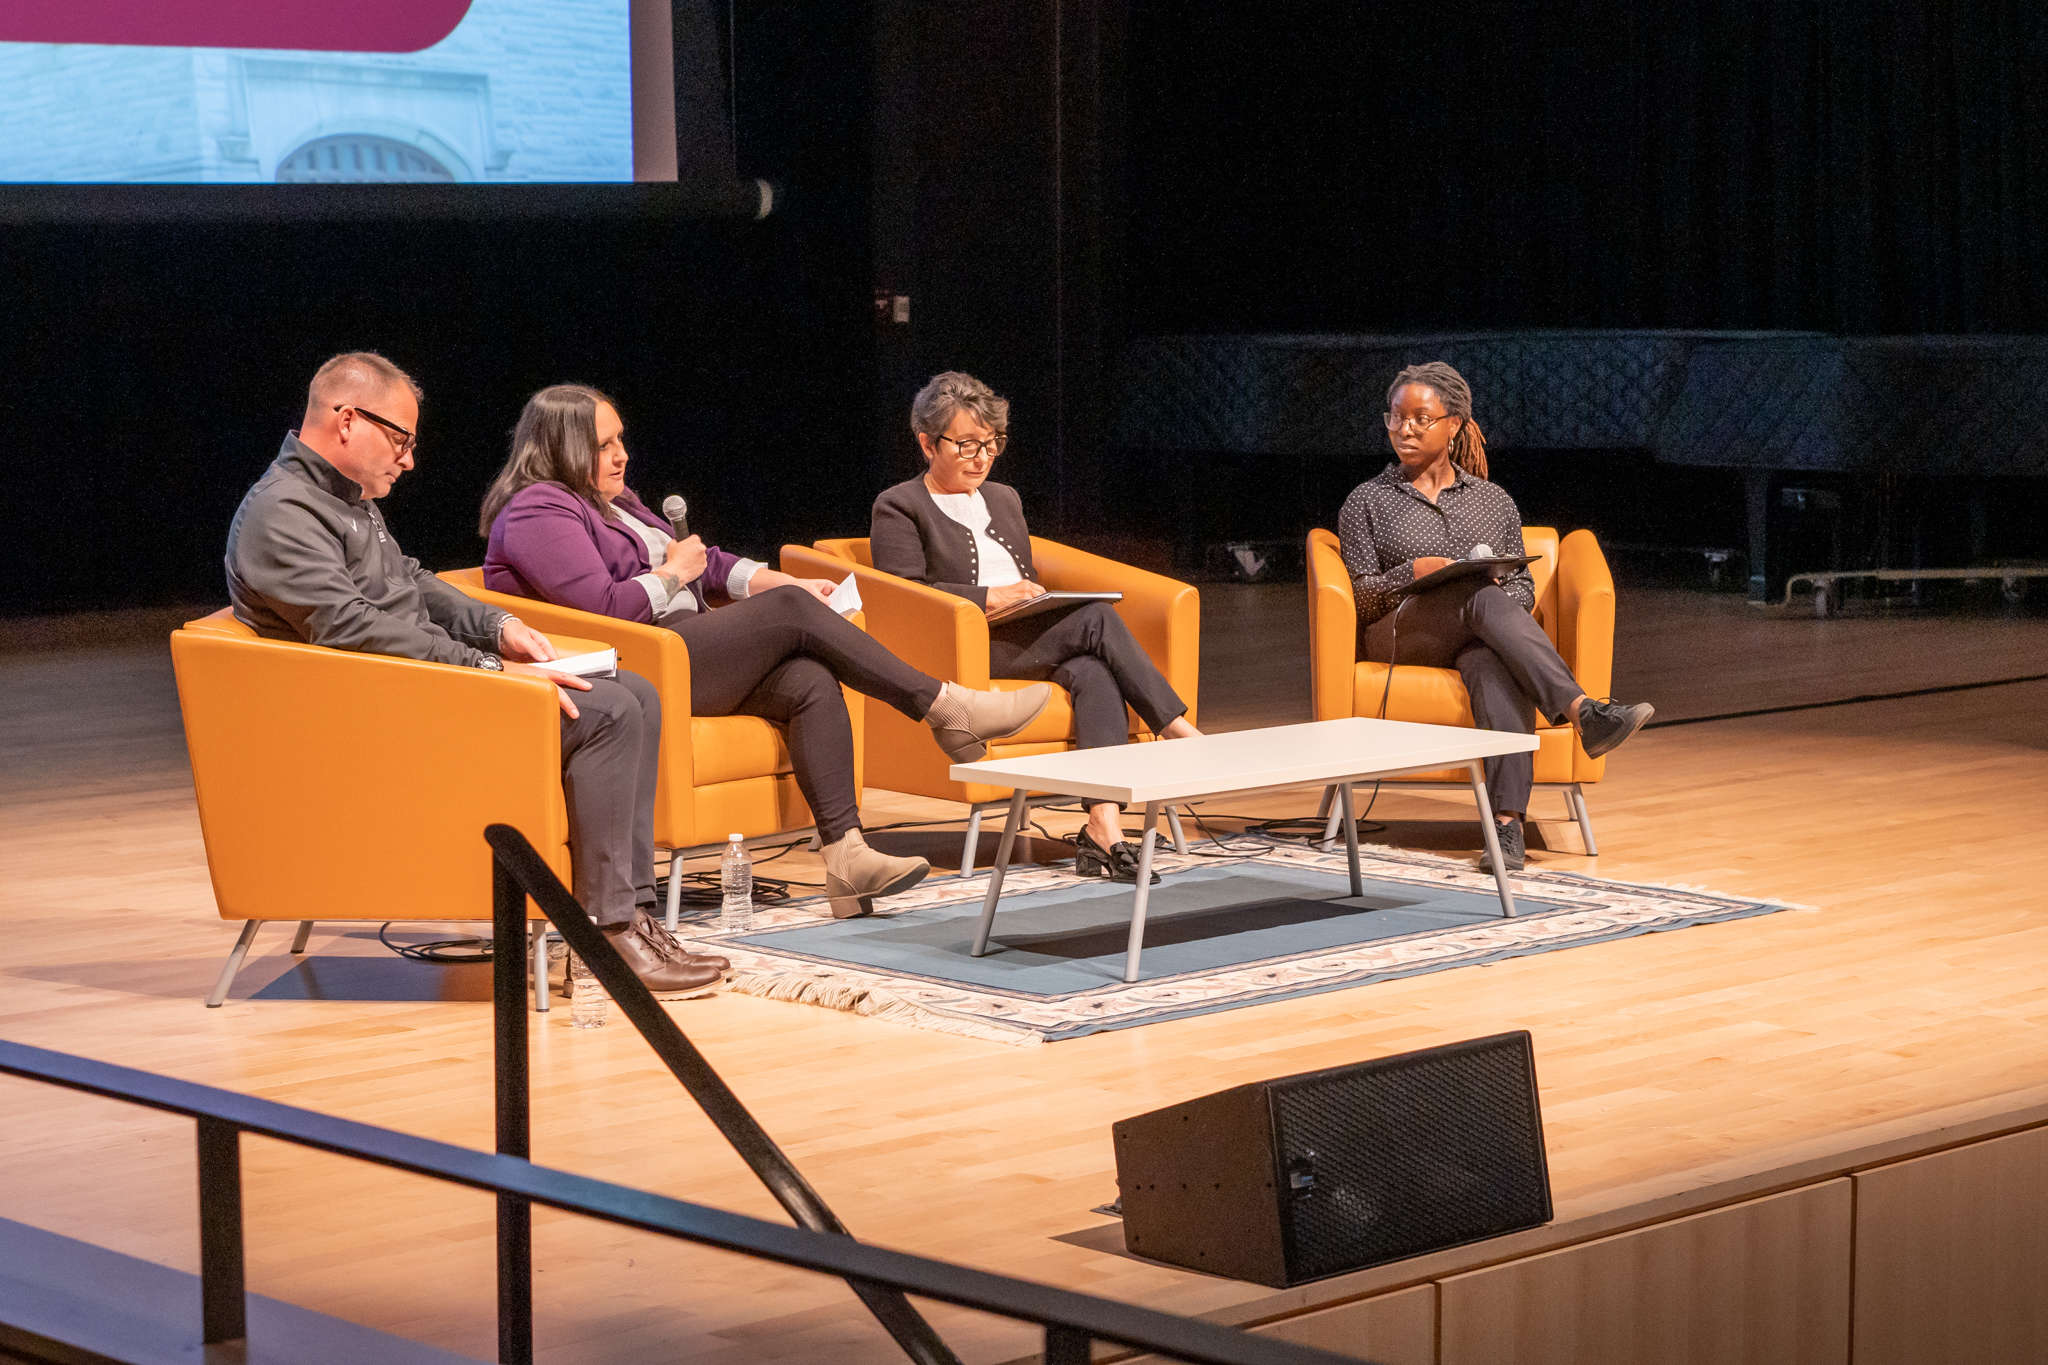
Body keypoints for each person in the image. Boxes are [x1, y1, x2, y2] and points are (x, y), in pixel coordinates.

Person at [225, 353, 724, 995]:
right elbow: (349, 628)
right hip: (379, 719)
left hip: (426, 689)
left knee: (638, 693)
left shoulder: (344, 497)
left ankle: (635, 914)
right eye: (400, 438)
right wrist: (489, 669)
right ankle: (605, 930)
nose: (408, 459)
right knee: (607, 713)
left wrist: (497, 628)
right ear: (346, 420)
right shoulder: (283, 513)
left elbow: (408, 580)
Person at [479, 384, 1052, 918]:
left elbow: (715, 565)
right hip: (633, 668)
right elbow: (602, 607)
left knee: (807, 677)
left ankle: (848, 858)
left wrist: (789, 585)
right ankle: (944, 705)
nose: (621, 454)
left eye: (620, 439)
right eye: (603, 445)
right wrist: (675, 575)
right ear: (560, 448)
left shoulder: (617, 501)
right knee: (793, 623)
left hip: (687, 654)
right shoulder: (538, 509)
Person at [870, 372, 1200, 884]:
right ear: (927, 443)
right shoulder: (899, 505)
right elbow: (902, 596)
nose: (981, 457)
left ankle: (1103, 826)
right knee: (1095, 618)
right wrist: (988, 598)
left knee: (1094, 672)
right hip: (965, 649)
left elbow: (1024, 578)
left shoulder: (1004, 498)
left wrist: (1031, 599)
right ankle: (1178, 730)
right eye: (966, 445)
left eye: (991, 444)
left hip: (1028, 635)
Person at [1336, 361, 1654, 872]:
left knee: (1492, 662)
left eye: (1421, 417)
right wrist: (1411, 572)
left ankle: (1505, 827)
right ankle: (1584, 713)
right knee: (1480, 599)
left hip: (1475, 634)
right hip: (1400, 634)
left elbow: (1524, 588)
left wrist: (1500, 585)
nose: (1406, 429)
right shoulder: (1367, 501)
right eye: (1396, 418)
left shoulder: (1493, 501)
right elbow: (1361, 598)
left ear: (1454, 425)